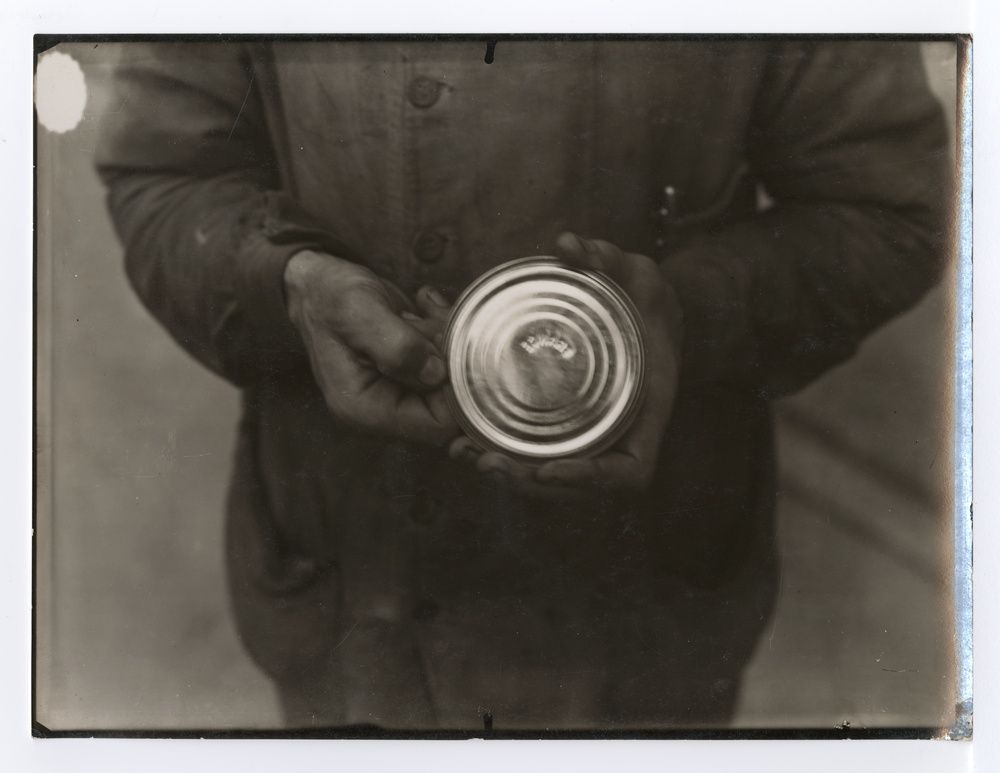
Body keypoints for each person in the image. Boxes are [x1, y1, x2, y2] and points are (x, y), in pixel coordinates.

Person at [96, 39, 948, 730]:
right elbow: (165, 173)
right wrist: (287, 284)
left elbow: (888, 210)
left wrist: (690, 314)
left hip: (644, 603)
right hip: (354, 579)